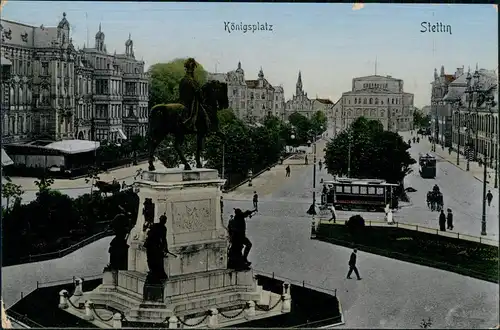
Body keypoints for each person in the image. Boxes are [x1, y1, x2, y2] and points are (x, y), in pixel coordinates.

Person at [178, 58, 202, 131]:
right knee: (196, 106)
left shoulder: (183, 79)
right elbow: (197, 92)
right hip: (189, 101)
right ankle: (191, 123)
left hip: (181, 100)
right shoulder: (191, 80)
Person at [144, 215, 170, 279]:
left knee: (154, 259)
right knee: (153, 259)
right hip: (153, 245)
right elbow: (163, 239)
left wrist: (165, 248)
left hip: (153, 245)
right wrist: (165, 248)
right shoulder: (160, 227)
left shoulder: (159, 226)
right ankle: (154, 272)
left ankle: (154, 272)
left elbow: (164, 239)